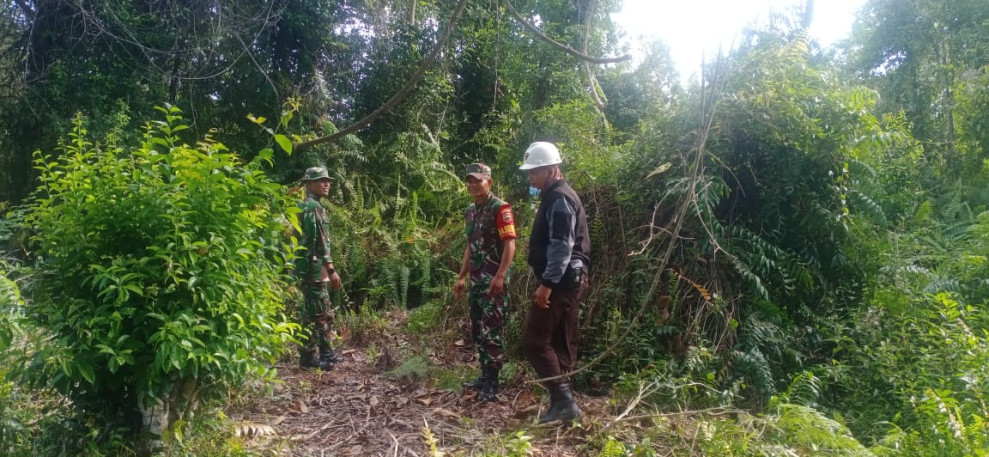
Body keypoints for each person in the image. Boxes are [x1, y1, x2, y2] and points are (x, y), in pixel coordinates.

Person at [519, 142, 590, 423]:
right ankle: (563, 405)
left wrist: (547, 283)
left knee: (535, 340)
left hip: (560, 282)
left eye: (534, 173)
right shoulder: (555, 195)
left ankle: (565, 403)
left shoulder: (560, 199)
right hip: (569, 280)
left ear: (550, 170)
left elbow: (562, 245)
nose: (530, 178)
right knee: (561, 341)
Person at [453, 163, 517, 402]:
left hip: (493, 282)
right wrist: (462, 276)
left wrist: (501, 275)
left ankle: (493, 382)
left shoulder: (500, 209)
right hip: (477, 281)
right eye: (469, 181)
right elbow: (471, 246)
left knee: (492, 331)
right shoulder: (471, 211)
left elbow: (510, 243)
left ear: (488, 182)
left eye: (477, 180)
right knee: (479, 330)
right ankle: (484, 375)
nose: (472, 185)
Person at [295, 166, 343, 371]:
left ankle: (326, 352)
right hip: (313, 267)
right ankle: (308, 358)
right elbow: (319, 242)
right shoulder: (312, 207)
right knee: (314, 313)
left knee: (321, 310)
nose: (327, 184)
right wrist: (331, 269)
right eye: (321, 180)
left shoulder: (306, 205)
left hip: (311, 266)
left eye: (328, 180)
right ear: (309, 183)